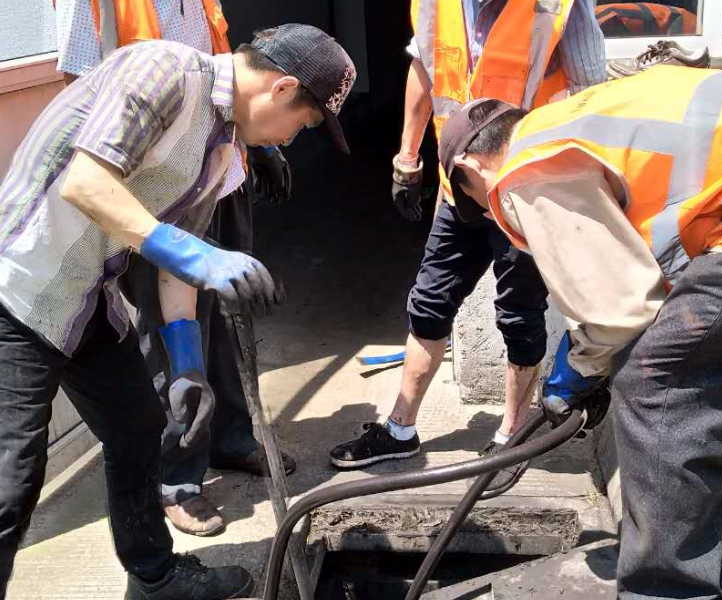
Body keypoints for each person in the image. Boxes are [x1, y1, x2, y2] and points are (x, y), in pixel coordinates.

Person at [0, 24, 355, 599]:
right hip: (16, 291)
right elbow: (86, 183)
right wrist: (195, 251)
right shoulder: (163, 71)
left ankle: (156, 577)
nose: (290, 139)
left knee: (139, 429)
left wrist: (188, 363)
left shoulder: (219, 151)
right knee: (9, 486)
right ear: (283, 88)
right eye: (303, 124)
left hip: (86, 302)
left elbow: (176, 271)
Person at [435, 64, 722, 598]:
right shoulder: (578, 123)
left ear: (470, 165)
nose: (491, 215)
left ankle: (667, 589)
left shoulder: (528, 165)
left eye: (474, 197)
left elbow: (617, 309)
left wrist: (577, 370)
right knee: (714, 362)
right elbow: (650, 283)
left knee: (660, 387)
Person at [329, 0, 607, 496]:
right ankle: (400, 430)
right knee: (430, 303)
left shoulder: (559, 6)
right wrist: (408, 156)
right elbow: (425, 68)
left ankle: (510, 437)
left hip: (523, 187)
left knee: (519, 314)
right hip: (457, 185)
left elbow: (590, 92)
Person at [55, 0, 296, 537]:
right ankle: (177, 476)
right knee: (166, 337)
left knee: (228, 314)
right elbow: (79, 94)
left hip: (218, 173)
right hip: (155, 196)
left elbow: (228, 75)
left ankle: (231, 436)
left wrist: (257, 148)